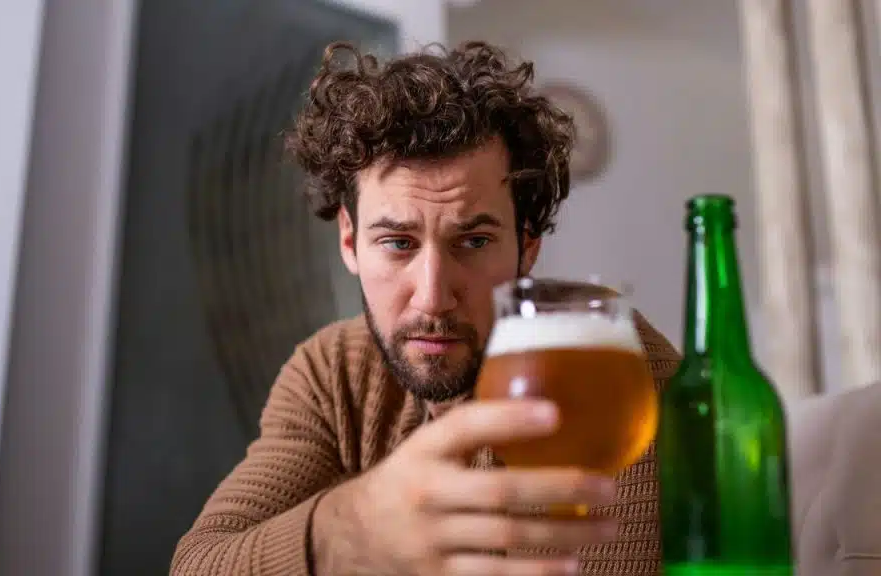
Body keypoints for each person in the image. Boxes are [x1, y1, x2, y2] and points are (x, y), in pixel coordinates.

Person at [170, 40, 679, 576]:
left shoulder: (609, 369)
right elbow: (199, 565)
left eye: (475, 241)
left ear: (527, 245)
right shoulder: (334, 374)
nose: (434, 296)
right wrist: (350, 531)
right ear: (350, 243)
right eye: (397, 243)